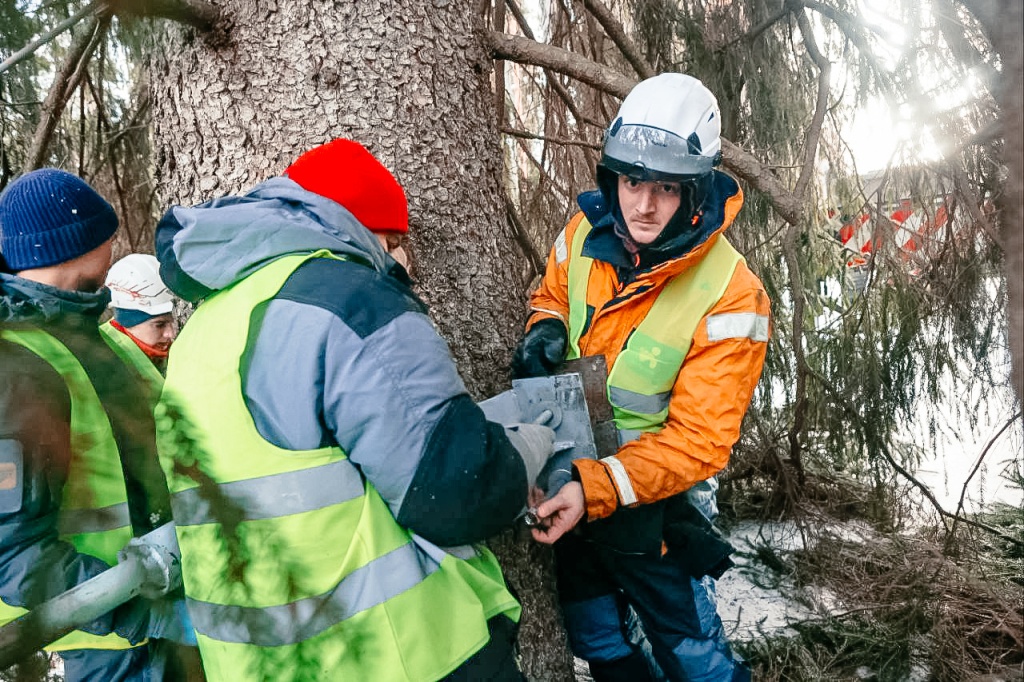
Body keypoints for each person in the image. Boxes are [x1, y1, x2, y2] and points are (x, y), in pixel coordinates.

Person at [153, 138, 556, 681]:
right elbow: (457, 491)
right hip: (396, 654)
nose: (403, 261)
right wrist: (531, 445)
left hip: (256, 665)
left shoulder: (204, 327)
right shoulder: (349, 301)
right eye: (394, 241)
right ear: (368, 229)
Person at [511, 73, 770, 681]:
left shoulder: (732, 294)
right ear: (613, 177)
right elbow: (551, 294)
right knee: (597, 637)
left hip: (655, 500)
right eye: (632, 182)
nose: (643, 205)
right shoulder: (581, 233)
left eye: (665, 189)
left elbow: (700, 441)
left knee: (690, 650)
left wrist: (598, 487)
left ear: (696, 192)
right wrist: (541, 328)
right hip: (567, 475)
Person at [0, 169, 190, 680]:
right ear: (76, 247)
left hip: (159, 618)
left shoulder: (99, 339)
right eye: (107, 238)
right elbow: (12, 555)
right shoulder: (16, 368)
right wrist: (143, 610)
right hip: (114, 645)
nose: (113, 248)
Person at [101, 253, 179, 379]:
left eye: (173, 322)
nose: (171, 333)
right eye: (160, 325)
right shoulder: (104, 363)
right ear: (128, 321)